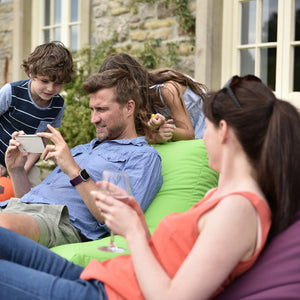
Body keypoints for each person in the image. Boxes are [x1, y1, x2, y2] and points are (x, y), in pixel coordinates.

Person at [0, 75, 299, 300]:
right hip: (105, 278)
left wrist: (132, 232)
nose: (199, 137)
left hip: (111, 294)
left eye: (204, 127)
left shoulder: (240, 210)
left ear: (223, 132)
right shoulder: (227, 196)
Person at [0, 69, 163, 248]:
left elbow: (120, 218)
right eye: (92, 109)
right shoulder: (82, 150)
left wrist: (73, 169)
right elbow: (29, 199)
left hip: (58, 221)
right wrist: (16, 170)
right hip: (16, 208)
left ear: (129, 107)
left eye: (101, 110)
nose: (93, 119)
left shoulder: (143, 156)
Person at [0, 41, 75, 186]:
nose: (50, 88)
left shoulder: (58, 105)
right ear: (31, 73)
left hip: (24, 160)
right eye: (44, 81)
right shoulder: (11, 92)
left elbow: (42, 140)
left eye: (58, 83)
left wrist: (21, 170)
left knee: (32, 195)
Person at [99, 53, 207, 143]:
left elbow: (189, 135)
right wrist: (157, 134)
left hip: (207, 124)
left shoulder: (167, 90)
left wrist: (166, 130)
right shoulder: (134, 102)